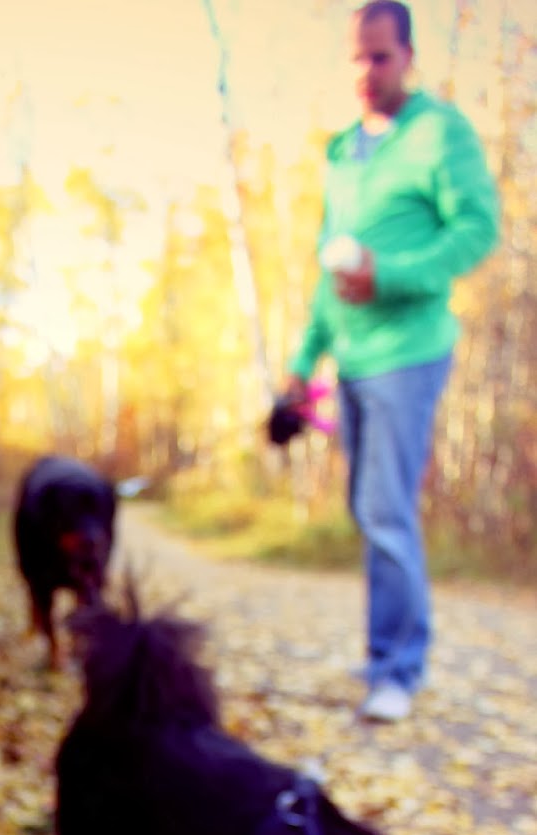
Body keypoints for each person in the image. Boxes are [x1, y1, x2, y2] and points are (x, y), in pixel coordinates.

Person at [286, 0, 499, 722]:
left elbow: (477, 230)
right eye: (357, 57)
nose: (367, 71)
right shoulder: (342, 151)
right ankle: (387, 647)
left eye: (380, 56)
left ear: (407, 56)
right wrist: (304, 359)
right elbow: (328, 266)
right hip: (350, 357)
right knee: (367, 508)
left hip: (409, 351)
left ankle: (399, 668)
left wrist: (392, 274)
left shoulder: (439, 132)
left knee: (385, 508)